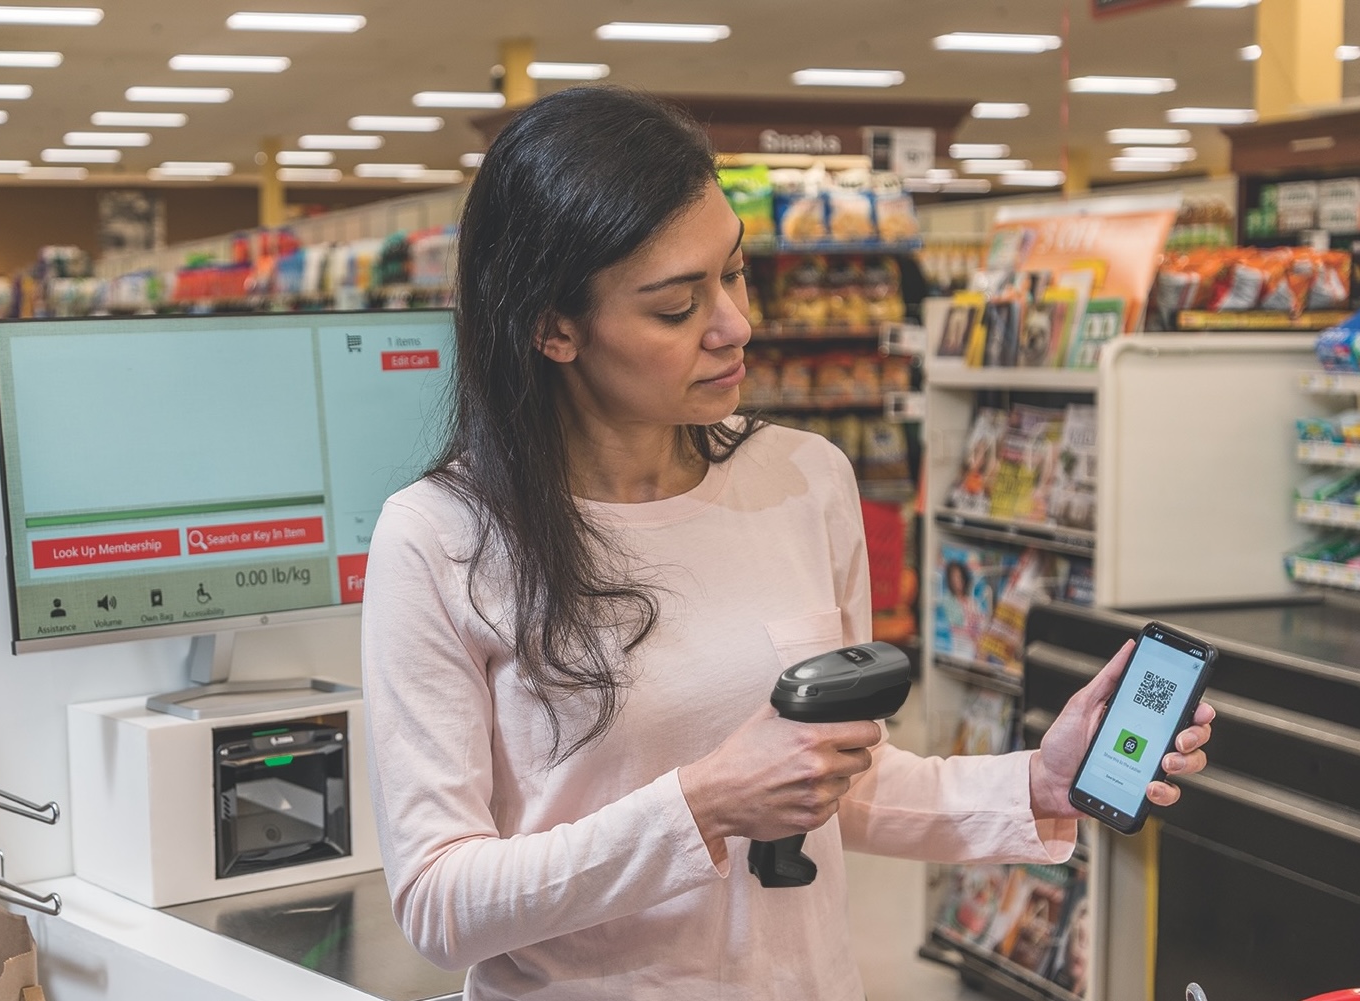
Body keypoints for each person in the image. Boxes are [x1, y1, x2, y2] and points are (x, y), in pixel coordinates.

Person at [359, 86, 1214, 1000]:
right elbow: (438, 899)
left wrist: (1035, 783)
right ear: (553, 327)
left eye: (733, 272)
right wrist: (709, 802)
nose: (737, 325)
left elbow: (846, 779)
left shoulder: (803, 477)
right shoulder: (439, 537)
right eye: (677, 306)